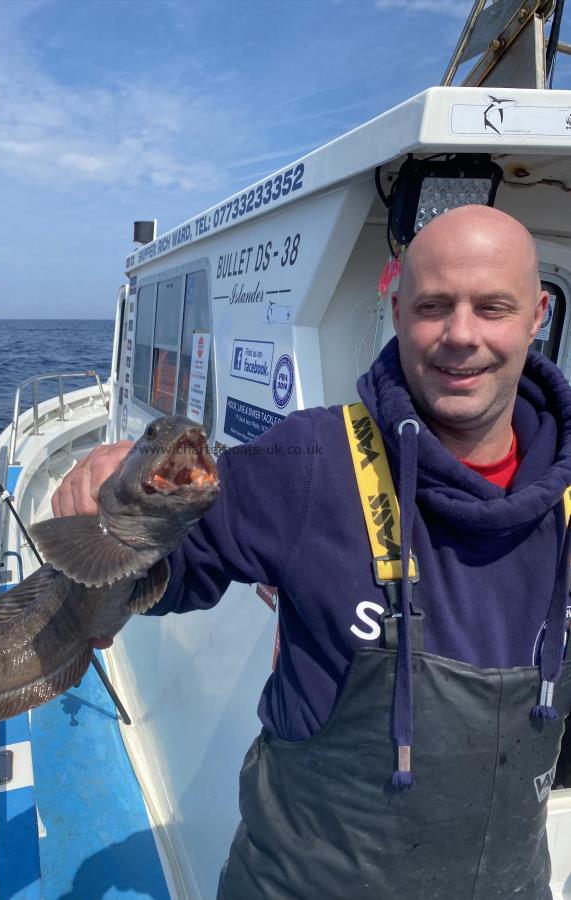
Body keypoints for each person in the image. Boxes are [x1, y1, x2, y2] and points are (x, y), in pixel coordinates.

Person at [52, 206, 571, 899]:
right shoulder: (307, 461)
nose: (460, 334)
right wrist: (112, 509)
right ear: (393, 308)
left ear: (538, 314)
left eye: (492, 307)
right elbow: (164, 570)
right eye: (432, 306)